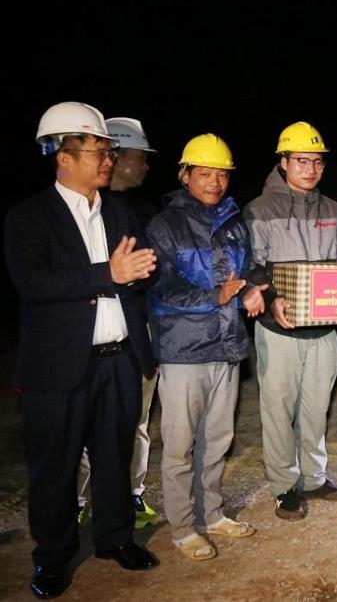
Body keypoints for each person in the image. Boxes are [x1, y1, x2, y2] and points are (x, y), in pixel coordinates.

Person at [6, 102, 159, 599]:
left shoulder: (118, 211)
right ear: (63, 156)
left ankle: (116, 539)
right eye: (98, 152)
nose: (109, 161)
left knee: (115, 458)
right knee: (55, 467)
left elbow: (137, 275)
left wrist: (139, 274)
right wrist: (107, 275)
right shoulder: (29, 217)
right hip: (58, 369)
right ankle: (52, 557)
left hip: (119, 360)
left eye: (109, 152)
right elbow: (32, 282)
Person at [146, 134, 267, 561]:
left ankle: (212, 515)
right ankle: (183, 528)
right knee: (179, 446)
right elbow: (159, 290)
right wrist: (214, 296)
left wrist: (250, 290)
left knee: (217, 440)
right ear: (185, 175)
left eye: (222, 174)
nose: (215, 182)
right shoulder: (164, 225)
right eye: (205, 173)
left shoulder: (233, 221)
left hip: (227, 343)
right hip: (183, 349)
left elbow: (247, 270)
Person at [243, 122, 337, 521]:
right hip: (280, 329)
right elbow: (251, 266)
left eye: (317, 162)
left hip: (324, 330)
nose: (310, 169)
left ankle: (313, 477)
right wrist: (270, 300)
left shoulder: (335, 211)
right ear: (283, 161)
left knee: (316, 407)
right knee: (278, 408)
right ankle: (284, 485)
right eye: (301, 161)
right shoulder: (260, 210)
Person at [76, 116, 161, 530]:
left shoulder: (141, 211)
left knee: (136, 421)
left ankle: (132, 495)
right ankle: (79, 500)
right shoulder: (81, 209)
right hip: (86, 335)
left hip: (136, 330)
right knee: (83, 424)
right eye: (139, 156)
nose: (145, 165)